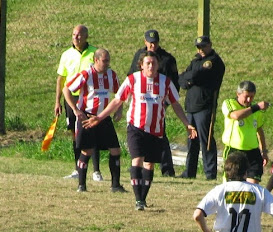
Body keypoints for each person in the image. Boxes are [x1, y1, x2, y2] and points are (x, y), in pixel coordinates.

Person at [83, 51, 197, 211]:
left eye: (154, 63)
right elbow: (117, 100)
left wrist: (187, 124)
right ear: (141, 65)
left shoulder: (165, 82)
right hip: (136, 128)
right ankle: (138, 200)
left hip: (156, 130)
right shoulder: (133, 79)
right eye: (148, 63)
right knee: (137, 160)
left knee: (149, 165)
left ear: (158, 65)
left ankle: (142, 199)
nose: (151, 66)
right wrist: (99, 117)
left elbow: (176, 104)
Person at [63, 48, 126, 193]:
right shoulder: (86, 74)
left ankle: (115, 185)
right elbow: (67, 89)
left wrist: (119, 110)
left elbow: (120, 94)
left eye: (108, 60)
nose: (107, 64)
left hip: (103, 117)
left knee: (115, 150)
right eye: (104, 61)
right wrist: (76, 110)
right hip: (87, 117)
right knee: (87, 150)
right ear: (96, 60)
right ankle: (81, 185)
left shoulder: (111, 75)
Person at [127, 29, 179, 177]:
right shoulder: (139, 55)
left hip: (159, 103)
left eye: (155, 43)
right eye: (150, 43)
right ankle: (136, 166)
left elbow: (174, 83)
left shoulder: (167, 59)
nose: (152, 46)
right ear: (145, 42)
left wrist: (166, 103)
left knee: (161, 136)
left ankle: (167, 169)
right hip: (141, 103)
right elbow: (131, 75)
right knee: (138, 138)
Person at [55, 25, 103, 182]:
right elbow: (61, 79)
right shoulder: (66, 55)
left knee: (92, 131)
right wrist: (57, 102)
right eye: (74, 34)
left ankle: (96, 170)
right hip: (71, 98)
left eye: (79, 35)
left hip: (89, 98)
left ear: (86, 36)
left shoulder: (94, 53)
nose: (76, 37)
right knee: (75, 133)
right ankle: (77, 167)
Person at [179, 35, 225, 180]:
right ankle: (189, 172)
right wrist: (188, 80)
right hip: (191, 106)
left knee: (206, 140)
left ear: (210, 45)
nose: (201, 49)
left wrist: (190, 78)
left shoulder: (213, 62)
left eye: (204, 46)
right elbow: (181, 78)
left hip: (205, 106)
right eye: (199, 47)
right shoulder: (196, 61)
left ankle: (210, 172)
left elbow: (197, 75)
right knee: (191, 141)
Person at [222, 81, 270, 184]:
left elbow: (259, 130)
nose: (249, 100)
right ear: (238, 94)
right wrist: (256, 107)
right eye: (246, 96)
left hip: (253, 151)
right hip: (234, 150)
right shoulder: (229, 103)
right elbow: (236, 116)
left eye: (252, 97)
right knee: (232, 183)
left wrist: (264, 151)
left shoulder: (256, 111)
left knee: (253, 184)